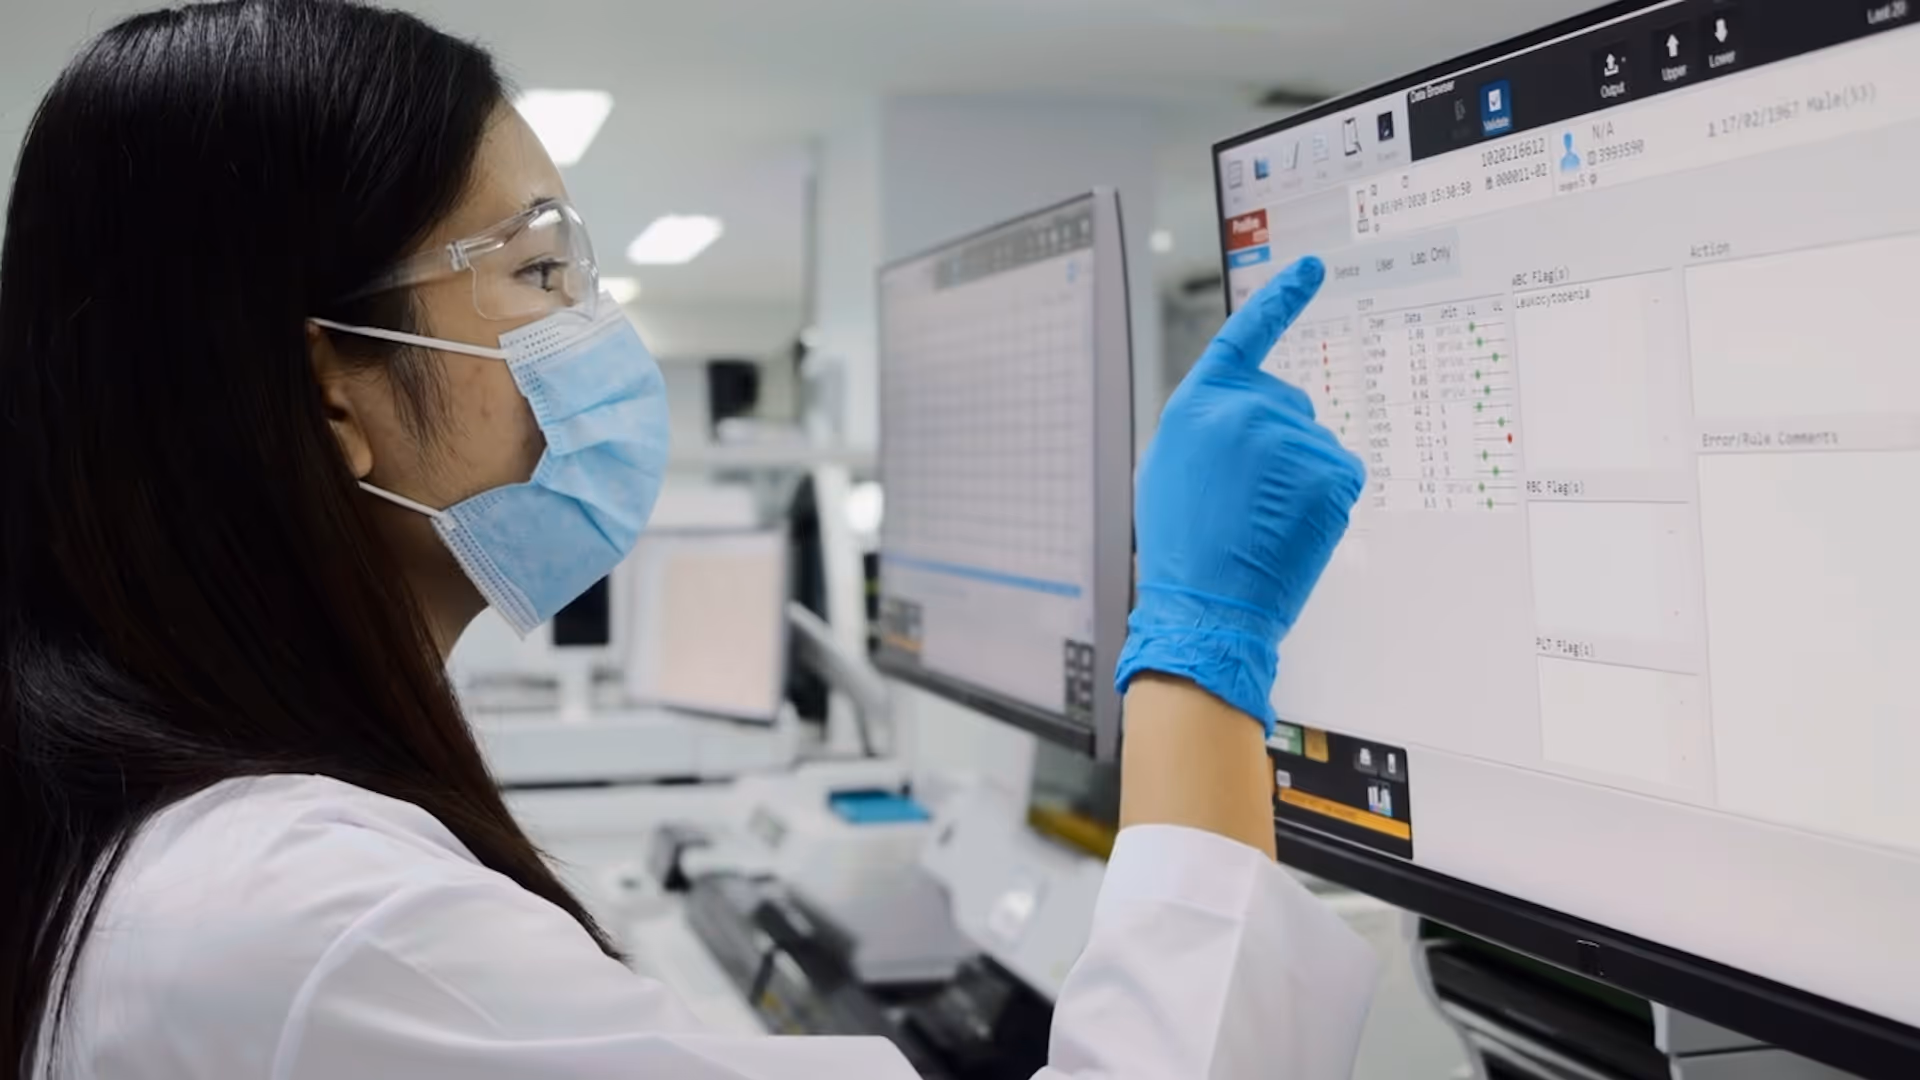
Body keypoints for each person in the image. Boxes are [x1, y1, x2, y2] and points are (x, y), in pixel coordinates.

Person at [0, 2, 1373, 1077]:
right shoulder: (323, 932)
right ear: (333, 390)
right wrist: (1204, 641)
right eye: (539, 273)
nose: (599, 336)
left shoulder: (183, 832)